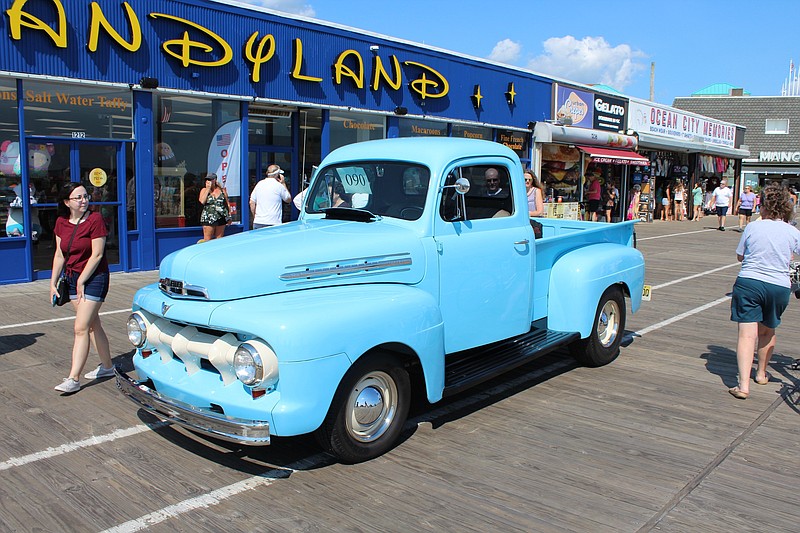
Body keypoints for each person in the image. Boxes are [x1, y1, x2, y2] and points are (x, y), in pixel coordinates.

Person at [728, 185, 800, 399]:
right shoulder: (792, 231)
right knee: (767, 332)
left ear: (764, 206)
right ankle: (760, 373)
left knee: (746, 334)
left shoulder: (753, 227)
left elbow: (740, 256)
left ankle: (743, 386)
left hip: (749, 282)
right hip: (778, 285)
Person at [49, 183, 113, 393]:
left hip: (94, 278)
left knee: (80, 327)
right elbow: (59, 255)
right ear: (67, 202)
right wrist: (52, 282)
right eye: (78, 197)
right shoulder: (61, 222)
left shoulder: (95, 220)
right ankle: (107, 367)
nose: (84, 200)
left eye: (86, 196)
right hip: (72, 277)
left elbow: (97, 254)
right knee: (93, 324)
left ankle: (73, 378)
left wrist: (82, 280)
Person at [250, 164, 291, 229]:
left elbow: (252, 202)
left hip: (258, 222)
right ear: (277, 175)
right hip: (273, 222)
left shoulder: (259, 184)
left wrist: (255, 217)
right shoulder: (279, 186)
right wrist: (283, 183)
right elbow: (288, 199)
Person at [199, 173, 231, 241]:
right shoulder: (204, 190)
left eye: (210, 179)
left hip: (221, 217)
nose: (208, 181)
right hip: (208, 218)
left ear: (214, 180)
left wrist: (229, 217)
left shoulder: (222, 190)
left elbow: (227, 204)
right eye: (207, 180)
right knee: (207, 240)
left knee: (219, 239)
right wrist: (208, 189)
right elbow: (202, 201)